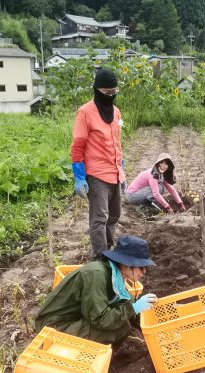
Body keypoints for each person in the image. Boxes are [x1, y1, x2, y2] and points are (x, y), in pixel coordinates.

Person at [34, 236, 158, 346]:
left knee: (123, 319)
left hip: (75, 319)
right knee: (120, 328)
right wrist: (133, 308)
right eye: (142, 267)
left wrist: (155, 329)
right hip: (55, 327)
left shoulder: (115, 276)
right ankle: (96, 362)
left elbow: (126, 304)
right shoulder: (96, 275)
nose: (144, 271)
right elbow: (100, 320)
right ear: (126, 264)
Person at [70, 67, 125, 258]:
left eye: (114, 92)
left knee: (114, 216)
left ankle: (108, 250)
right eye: (107, 93)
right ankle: (101, 257)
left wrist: (121, 168)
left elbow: (116, 142)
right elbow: (77, 146)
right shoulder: (85, 113)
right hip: (96, 175)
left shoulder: (116, 112)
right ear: (97, 90)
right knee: (99, 218)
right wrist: (79, 176)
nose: (111, 96)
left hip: (115, 172)